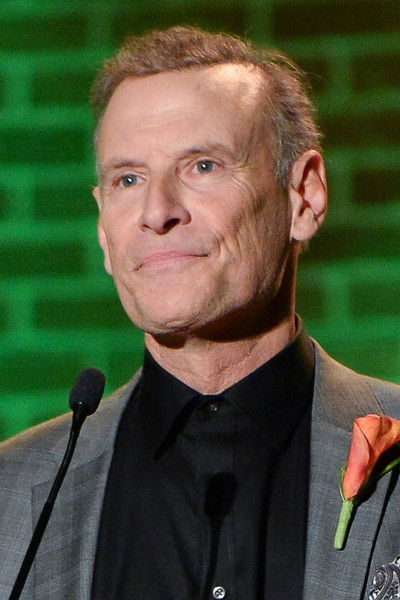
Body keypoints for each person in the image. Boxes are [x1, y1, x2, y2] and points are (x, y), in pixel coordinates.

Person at [0, 26, 399, 600]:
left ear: (304, 197)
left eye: (203, 166)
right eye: (128, 179)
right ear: (103, 230)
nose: (156, 211)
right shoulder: (12, 494)